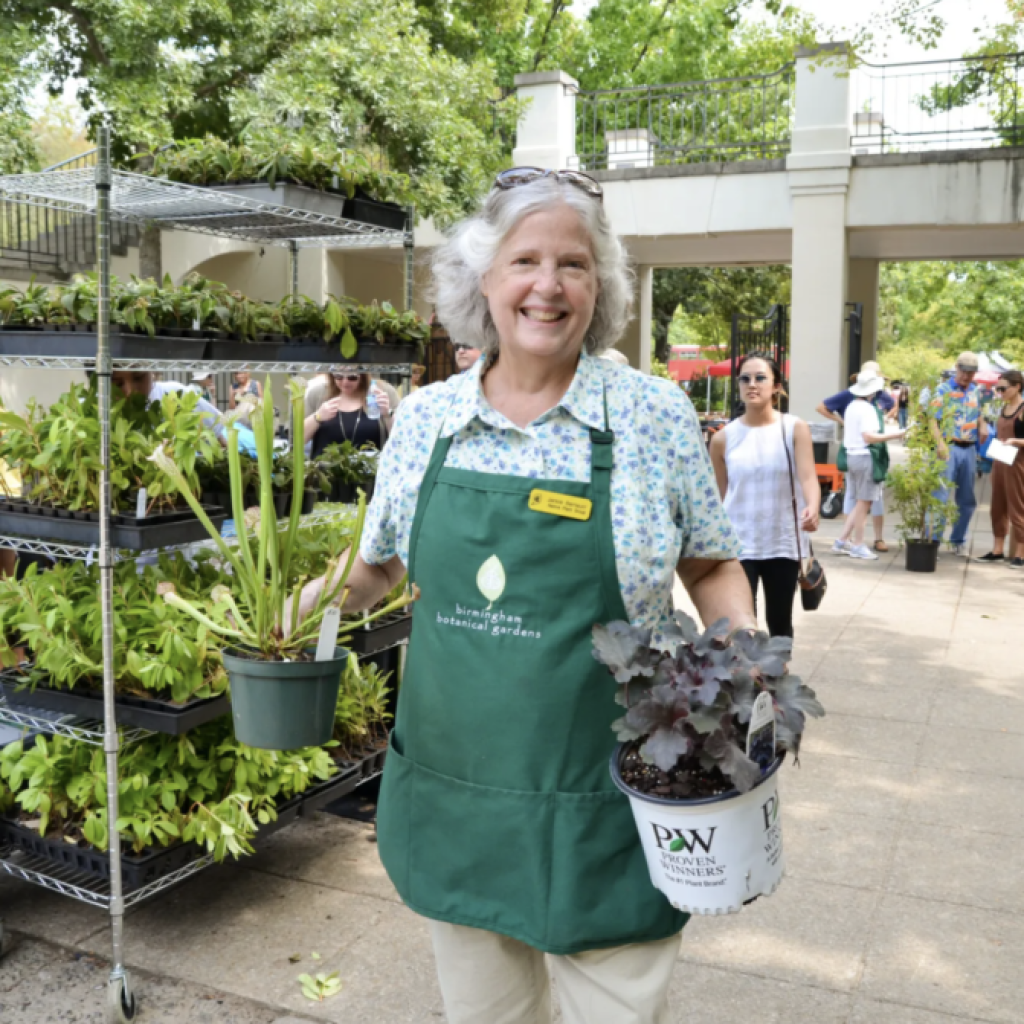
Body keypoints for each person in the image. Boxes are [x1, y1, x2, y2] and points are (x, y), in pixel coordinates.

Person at [295, 167, 753, 1024]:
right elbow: (380, 568)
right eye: (524, 261)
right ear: (483, 281)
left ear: (600, 287)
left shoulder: (652, 415)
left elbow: (710, 564)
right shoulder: (427, 420)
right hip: (461, 791)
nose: (548, 285)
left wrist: (743, 651)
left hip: (613, 794)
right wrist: (294, 607)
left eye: (573, 264)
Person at [710, 352, 819, 638]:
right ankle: (751, 681)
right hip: (739, 542)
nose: (752, 384)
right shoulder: (723, 438)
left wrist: (814, 507)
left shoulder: (794, 428)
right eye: (745, 378)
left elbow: (808, 476)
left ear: (777, 386)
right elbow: (719, 495)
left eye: (761, 378)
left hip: (781, 539)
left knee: (779, 620)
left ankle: (778, 678)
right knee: (743, 625)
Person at [815, 360, 894, 552]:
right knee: (855, 494)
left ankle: (876, 537)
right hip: (857, 449)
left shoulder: (882, 396)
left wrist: (885, 418)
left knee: (875, 496)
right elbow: (821, 407)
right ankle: (849, 538)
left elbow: (893, 407)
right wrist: (840, 420)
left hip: (876, 449)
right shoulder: (850, 396)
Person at [832, 368, 906, 560]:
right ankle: (857, 543)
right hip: (866, 457)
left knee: (860, 502)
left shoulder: (851, 406)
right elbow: (869, 437)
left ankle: (842, 540)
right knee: (864, 503)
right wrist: (896, 434)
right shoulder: (867, 409)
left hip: (852, 457)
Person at [930, 352, 989, 555]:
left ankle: (958, 540)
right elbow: (932, 419)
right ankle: (933, 542)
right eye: (964, 371)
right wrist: (939, 443)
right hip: (949, 447)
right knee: (940, 495)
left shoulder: (976, 391)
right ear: (957, 367)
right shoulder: (942, 390)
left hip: (970, 448)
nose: (967, 376)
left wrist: (982, 425)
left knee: (967, 499)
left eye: (971, 372)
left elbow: (979, 412)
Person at [976, 369, 1024, 568]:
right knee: (997, 506)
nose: (1000, 392)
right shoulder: (1003, 408)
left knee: (1018, 507)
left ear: (1017, 387)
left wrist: (1015, 441)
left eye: (1003, 388)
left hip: (1018, 463)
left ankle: (1020, 554)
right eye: (998, 388)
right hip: (1000, 460)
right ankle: (997, 549)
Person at [302, 371, 393, 457]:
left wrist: (388, 414)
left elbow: (402, 437)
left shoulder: (382, 392)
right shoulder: (318, 393)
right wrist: (318, 417)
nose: (345, 382)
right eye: (338, 376)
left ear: (362, 375)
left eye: (352, 377)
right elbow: (299, 439)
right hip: (323, 470)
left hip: (370, 469)